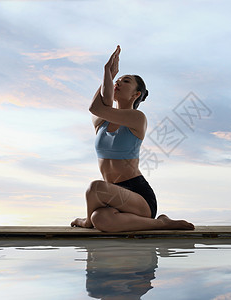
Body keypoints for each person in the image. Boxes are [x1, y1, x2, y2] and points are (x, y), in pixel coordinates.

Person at [71, 45, 194, 232]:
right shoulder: (101, 121)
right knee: (101, 219)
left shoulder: (137, 118)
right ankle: (93, 220)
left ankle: (160, 223)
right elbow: (101, 104)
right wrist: (110, 76)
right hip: (113, 194)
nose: (118, 83)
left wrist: (107, 72)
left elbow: (97, 108)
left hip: (137, 195)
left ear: (136, 94)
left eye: (125, 81)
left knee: (94, 188)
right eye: (117, 81)